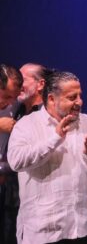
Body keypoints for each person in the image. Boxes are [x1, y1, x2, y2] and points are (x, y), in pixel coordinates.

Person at [7, 71, 87, 244]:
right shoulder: (27, 124)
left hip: (84, 228)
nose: (79, 102)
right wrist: (55, 139)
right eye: (72, 97)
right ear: (51, 99)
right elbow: (16, 161)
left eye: (80, 96)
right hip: (43, 231)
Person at [0, 63, 48, 244]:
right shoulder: (16, 109)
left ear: (40, 84)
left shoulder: (46, 114)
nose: (19, 84)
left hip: (33, 197)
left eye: (23, 79)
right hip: (10, 194)